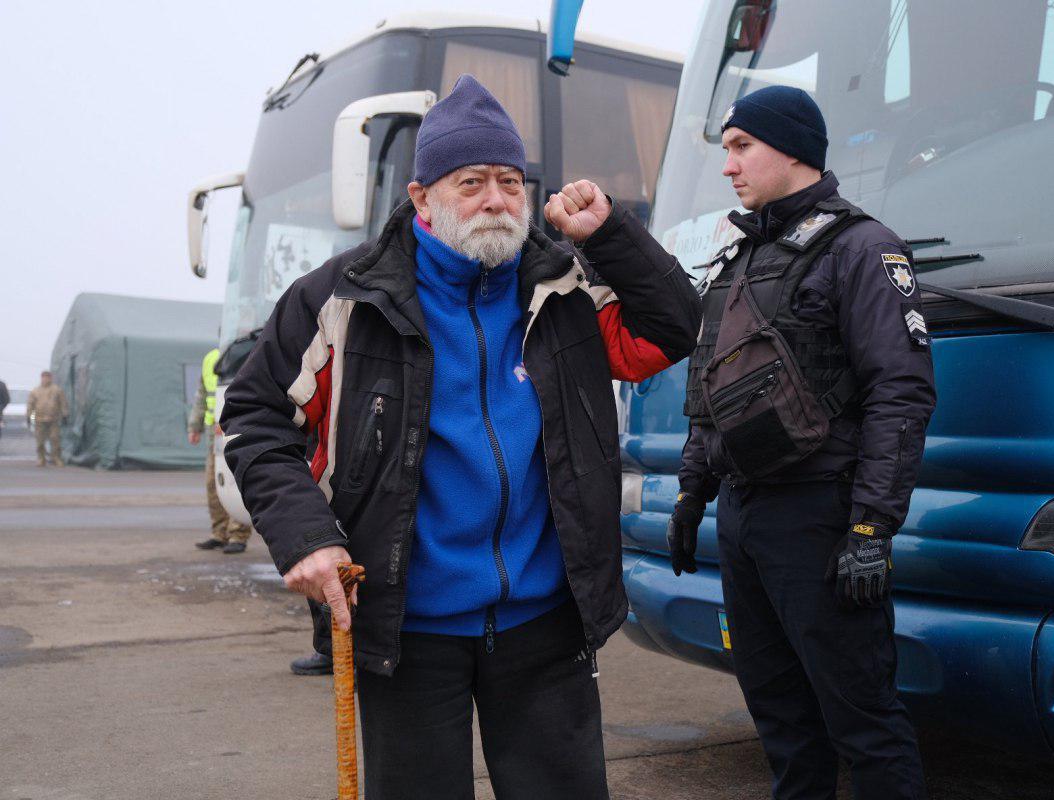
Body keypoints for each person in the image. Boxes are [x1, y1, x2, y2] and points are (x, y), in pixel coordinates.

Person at [221, 75, 700, 799]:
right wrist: (305, 537)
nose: (496, 200)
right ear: (422, 197)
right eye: (471, 182)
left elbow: (674, 328)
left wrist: (610, 235)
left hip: (547, 621)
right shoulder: (343, 297)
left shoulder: (564, 285)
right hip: (407, 627)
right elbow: (256, 417)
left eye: (509, 181)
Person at [667, 85, 936, 800]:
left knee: (863, 720)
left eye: (741, 147)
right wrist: (693, 492)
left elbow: (901, 393)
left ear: (790, 149)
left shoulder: (862, 248)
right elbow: (711, 387)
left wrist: (872, 525)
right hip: (745, 514)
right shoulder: (742, 255)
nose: (728, 165)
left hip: (821, 516)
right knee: (780, 718)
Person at [189, 346, 253, 554]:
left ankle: (238, 534)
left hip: (235, 429)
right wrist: (195, 426)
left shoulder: (246, 350)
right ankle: (219, 533)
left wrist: (227, 420)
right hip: (213, 433)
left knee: (235, 482)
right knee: (213, 484)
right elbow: (202, 395)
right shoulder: (211, 358)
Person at [27, 370, 68, 467]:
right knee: (40, 441)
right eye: (44, 377)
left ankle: (56, 458)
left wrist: (65, 415)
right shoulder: (35, 391)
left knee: (55, 439)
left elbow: (63, 403)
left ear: (51, 378)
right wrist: (30, 417)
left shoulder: (57, 390)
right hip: (39, 419)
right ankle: (41, 458)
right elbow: (31, 405)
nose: (46, 379)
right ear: (41, 378)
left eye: (48, 377)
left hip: (53, 419)